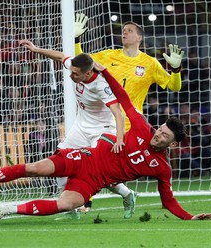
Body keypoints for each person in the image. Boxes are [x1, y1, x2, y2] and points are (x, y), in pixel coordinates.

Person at [0, 62, 211, 222]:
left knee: (68, 204)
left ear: (171, 144)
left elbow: (168, 200)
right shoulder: (140, 127)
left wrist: (190, 216)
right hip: (83, 158)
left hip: (92, 182)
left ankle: (8, 209)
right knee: (36, 168)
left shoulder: (162, 168)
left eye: (163, 136)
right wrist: (106, 73)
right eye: (159, 130)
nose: (157, 135)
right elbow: (124, 98)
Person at [73, 13, 185, 210]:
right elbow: (80, 62)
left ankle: (88, 200)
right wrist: (76, 40)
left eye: (129, 30)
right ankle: (95, 199)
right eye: (123, 31)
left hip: (131, 126)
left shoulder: (150, 63)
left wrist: (176, 70)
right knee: (92, 160)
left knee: (101, 164)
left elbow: (173, 86)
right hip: (102, 119)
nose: (124, 33)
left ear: (139, 38)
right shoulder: (109, 55)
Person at [19, 39, 134, 219]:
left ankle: (128, 194)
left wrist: (119, 139)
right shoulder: (76, 67)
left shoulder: (101, 85)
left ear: (88, 73)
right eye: (71, 72)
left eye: (76, 75)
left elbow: (118, 114)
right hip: (81, 127)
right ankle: (70, 211)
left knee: (98, 171)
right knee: (60, 161)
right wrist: (35, 49)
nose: (71, 76)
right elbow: (60, 56)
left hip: (103, 130)